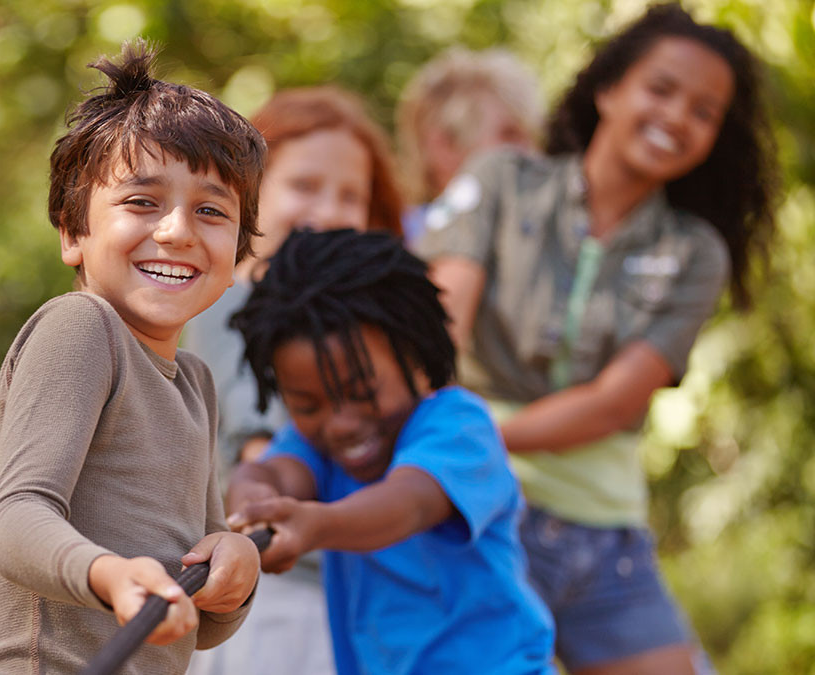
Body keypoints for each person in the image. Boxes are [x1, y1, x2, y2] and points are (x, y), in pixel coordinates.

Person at [418, 5, 778, 674]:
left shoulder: (695, 251)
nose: (676, 117)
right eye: (661, 89)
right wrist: (444, 453)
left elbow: (615, 403)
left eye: (704, 111)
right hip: (480, 512)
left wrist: (484, 434)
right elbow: (439, 323)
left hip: (602, 534)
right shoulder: (502, 179)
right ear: (609, 88)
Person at [0, 41, 267, 675]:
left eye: (211, 211)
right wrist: (109, 575)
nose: (177, 230)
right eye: (141, 202)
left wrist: (232, 572)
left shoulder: (196, 385)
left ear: (238, 257)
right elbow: (14, 523)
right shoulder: (82, 328)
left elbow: (190, 622)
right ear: (74, 233)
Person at [223, 228, 556, 674]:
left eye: (362, 392)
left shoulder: (458, 427)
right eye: (307, 405)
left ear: (417, 360)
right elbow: (275, 475)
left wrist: (315, 525)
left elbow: (408, 504)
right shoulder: (314, 447)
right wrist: (250, 501)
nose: (340, 424)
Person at [183, 86, 404, 675]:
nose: (328, 212)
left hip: (356, 588)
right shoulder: (233, 301)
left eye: (350, 196)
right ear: (251, 193)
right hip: (277, 598)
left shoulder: (356, 324)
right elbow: (255, 441)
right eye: (304, 186)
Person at [395, 47, 543, 246]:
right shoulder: (400, 245)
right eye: (509, 135)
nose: (532, 153)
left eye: (531, 137)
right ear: (444, 145)